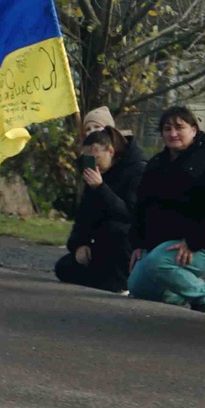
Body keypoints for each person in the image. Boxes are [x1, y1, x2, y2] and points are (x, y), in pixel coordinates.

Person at [128, 106, 205, 312]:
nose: (173, 133)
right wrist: (138, 243)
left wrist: (194, 242)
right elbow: (142, 206)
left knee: (157, 263)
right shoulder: (156, 164)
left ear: (194, 130)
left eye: (179, 127)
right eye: (167, 128)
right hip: (169, 243)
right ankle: (177, 296)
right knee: (137, 286)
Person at [53, 109, 145, 293]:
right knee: (64, 267)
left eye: (96, 158)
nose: (93, 164)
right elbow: (84, 217)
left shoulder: (137, 169)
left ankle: (122, 282)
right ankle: (103, 280)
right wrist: (80, 243)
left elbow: (129, 214)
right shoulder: (94, 173)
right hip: (100, 245)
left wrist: (101, 188)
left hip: (129, 243)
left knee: (114, 230)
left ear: (110, 150)